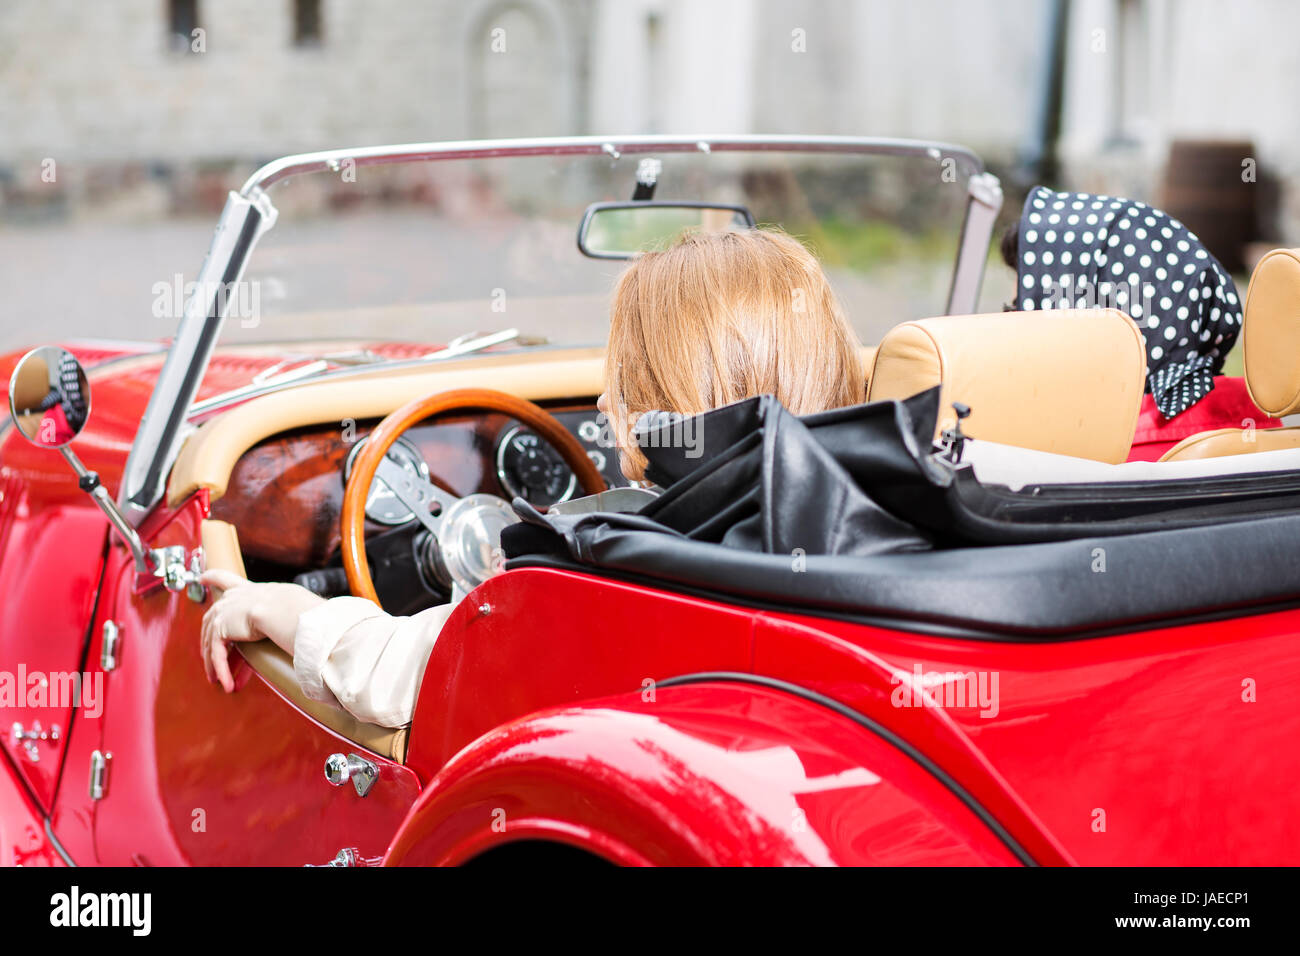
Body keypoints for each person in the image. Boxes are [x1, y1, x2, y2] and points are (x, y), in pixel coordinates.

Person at [199, 228, 867, 727]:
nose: (606, 407)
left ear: (668, 396)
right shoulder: (895, 516)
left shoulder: (601, 565)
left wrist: (289, 609)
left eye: (625, 383)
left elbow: (394, 673)